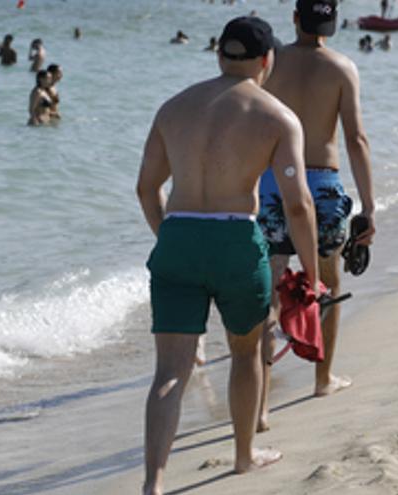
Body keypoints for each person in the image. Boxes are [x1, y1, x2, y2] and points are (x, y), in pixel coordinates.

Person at [136, 16, 320, 495]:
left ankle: (153, 483)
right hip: (236, 241)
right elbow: (298, 204)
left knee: (169, 371)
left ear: (219, 54)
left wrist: (170, 239)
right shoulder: (278, 116)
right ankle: (243, 458)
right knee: (245, 354)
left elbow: (146, 188)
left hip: (178, 238)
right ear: (267, 60)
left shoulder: (173, 107)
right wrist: (313, 273)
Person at [257, 0, 376, 432]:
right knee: (327, 281)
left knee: (268, 292)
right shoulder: (343, 68)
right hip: (324, 188)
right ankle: (323, 380)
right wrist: (368, 205)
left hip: (274, 185)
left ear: (294, 18)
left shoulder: (270, 65)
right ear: (334, 24)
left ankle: (261, 405)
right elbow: (356, 139)